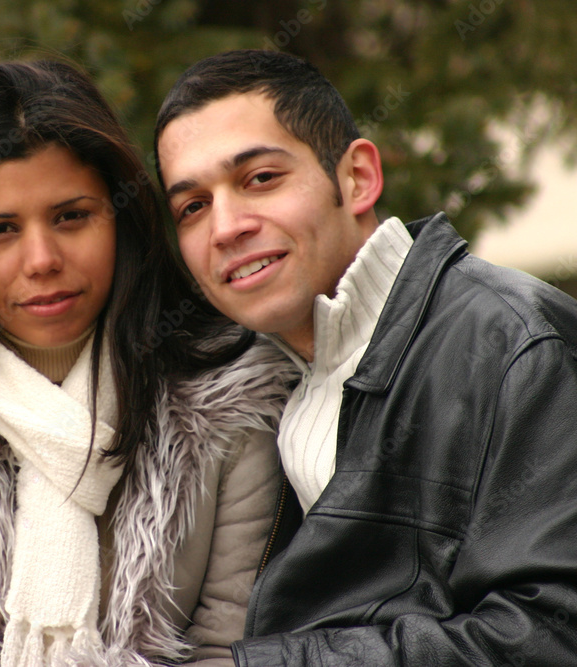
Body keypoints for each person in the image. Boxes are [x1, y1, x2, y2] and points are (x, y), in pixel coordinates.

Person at [0, 59, 296, 667]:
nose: (41, 259)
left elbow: (227, 650)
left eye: (71, 216)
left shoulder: (226, 394)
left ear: (121, 218)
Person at [154, 48, 577, 666]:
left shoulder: (514, 343)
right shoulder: (255, 390)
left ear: (357, 178)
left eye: (260, 179)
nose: (225, 227)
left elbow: (551, 635)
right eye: (192, 207)